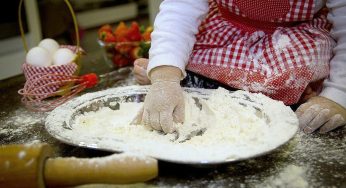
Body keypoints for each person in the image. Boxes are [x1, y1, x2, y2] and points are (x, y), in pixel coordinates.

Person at [133, 0, 346, 134]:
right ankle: (184, 75)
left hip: (292, 43)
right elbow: (180, 10)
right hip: (226, 34)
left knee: (287, 83)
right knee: (174, 61)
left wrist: (337, 94)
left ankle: (196, 79)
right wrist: (165, 74)